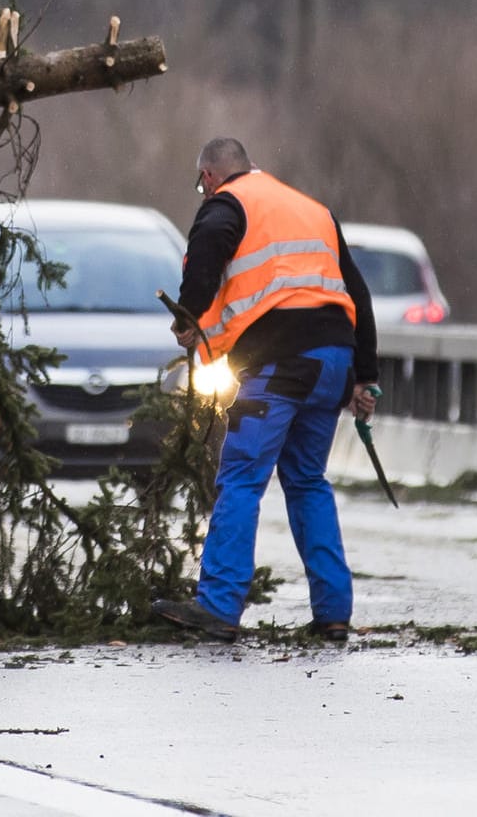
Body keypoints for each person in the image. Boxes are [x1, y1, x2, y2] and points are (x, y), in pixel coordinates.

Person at [151, 137, 379, 644]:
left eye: (200, 184)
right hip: (333, 362)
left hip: (280, 362)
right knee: (307, 480)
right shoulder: (313, 209)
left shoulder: (228, 205)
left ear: (210, 177)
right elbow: (356, 292)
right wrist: (366, 376)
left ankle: (218, 605)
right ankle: (334, 611)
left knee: (241, 478)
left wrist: (188, 316)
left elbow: (209, 243)